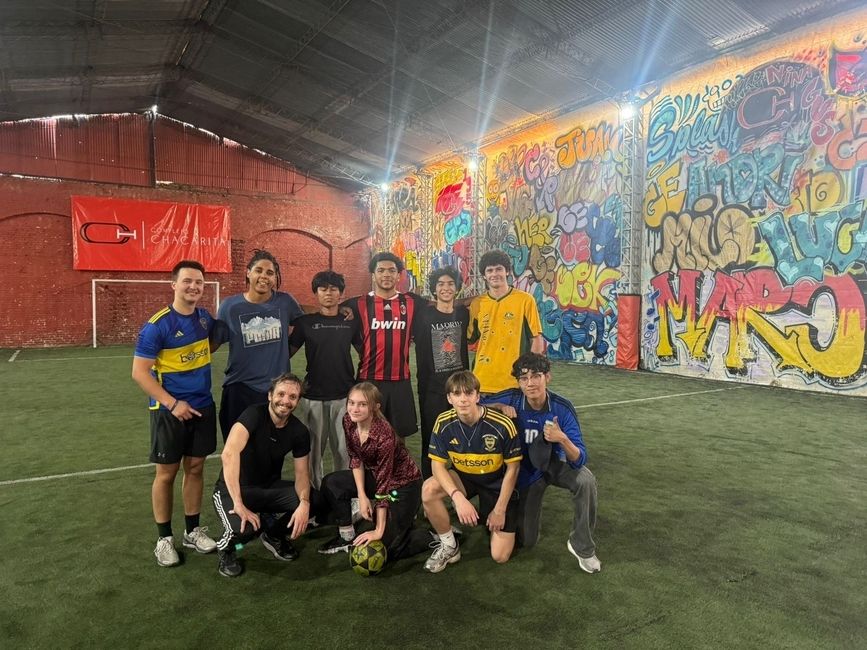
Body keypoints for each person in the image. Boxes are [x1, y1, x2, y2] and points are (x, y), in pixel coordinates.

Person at [131, 260, 219, 567]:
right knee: (166, 474)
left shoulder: (205, 319)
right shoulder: (157, 326)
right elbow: (140, 373)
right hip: (169, 410)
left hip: (203, 406)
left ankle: (192, 531)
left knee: (195, 468)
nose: (193, 287)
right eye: (187, 281)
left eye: (198, 282)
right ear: (174, 285)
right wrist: (172, 403)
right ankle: (164, 538)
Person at [483, 352, 601, 573]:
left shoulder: (562, 408)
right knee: (527, 541)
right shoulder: (512, 398)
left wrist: (562, 438)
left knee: (585, 481)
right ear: (518, 382)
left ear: (548, 377)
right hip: (525, 471)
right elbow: (476, 404)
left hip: (552, 464)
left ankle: (582, 546)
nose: (530, 383)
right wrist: (498, 408)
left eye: (536, 376)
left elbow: (580, 458)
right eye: (524, 378)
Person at [212, 373, 321, 577]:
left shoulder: (299, 431)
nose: (285, 401)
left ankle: (274, 534)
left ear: (298, 401)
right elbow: (229, 454)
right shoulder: (253, 415)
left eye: (292, 397)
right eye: (281, 394)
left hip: (268, 489)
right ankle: (227, 550)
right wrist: (238, 503)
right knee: (246, 531)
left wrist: (304, 503)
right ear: (270, 395)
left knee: (316, 500)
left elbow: (301, 474)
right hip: (234, 490)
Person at [318, 383, 431, 565]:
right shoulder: (348, 420)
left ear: (375, 407)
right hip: (375, 477)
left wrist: (378, 530)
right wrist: (362, 496)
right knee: (333, 482)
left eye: (362, 404)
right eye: (351, 402)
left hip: (403, 486)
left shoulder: (384, 435)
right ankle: (346, 536)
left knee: (387, 548)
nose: (355, 409)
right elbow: (355, 458)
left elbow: (383, 484)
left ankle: (431, 535)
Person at [421, 371, 522, 573]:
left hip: (496, 482)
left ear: (477, 396)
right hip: (465, 478)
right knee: (429, 489)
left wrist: (500, 510)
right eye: (457, 394)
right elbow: (437, 466)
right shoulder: (443, 422)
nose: (463, 399)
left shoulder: (502, 425)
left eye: (468, 393)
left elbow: (513, 468)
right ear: (450, 398)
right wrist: (457, 497)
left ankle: (495, 512)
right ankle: (449, 546)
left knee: (499, 556)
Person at [213, 249, 304, 440]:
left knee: (270, 451)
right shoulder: (229, 306)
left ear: (275, 278)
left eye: (270, 273)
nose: (264, 276)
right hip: (239, 389)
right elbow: (213, 343)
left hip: (276, 392)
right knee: (236, 450)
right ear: (248, 272)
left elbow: (304, 323)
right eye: (259, 270)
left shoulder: (285, 302)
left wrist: (336, 309)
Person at [342, 251, 428, 437]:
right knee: (366, 434)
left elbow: (441, 304)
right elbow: (334, 309)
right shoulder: (358, 303)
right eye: (381, 270)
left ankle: (398, 467)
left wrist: (472, 300)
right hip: (369, 379)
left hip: (400, 380)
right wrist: (343, 309)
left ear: (399, 275)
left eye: (391, 270)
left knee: (399, 436)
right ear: (373, 274)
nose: (386, 274)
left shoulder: (412, 302)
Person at [289, 270, 358, 488]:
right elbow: (284, 354)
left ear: (341, 294)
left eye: (333, 289)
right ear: (316, 293)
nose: (328, 293)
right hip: (313, 397)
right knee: (313, 453)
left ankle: (344, 498)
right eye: (323, 289)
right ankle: (315, 499)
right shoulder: (305, 323)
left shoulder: (351, 321)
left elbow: (366, 352)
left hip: (344, 396)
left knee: (344, 452)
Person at [413, 266, 469, 478]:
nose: (446, 288)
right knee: (431, 440)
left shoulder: (464, 313)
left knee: (463, 438)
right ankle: (429, 489)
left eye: (450, 284)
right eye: (440, 284)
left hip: (460, 389)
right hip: (432, 389)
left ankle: (461, 487)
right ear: (434, 289)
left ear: (457, 288)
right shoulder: (422, 315)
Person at [468, 249, 545, 394]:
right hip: (482, 381)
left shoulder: (525, 300)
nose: (494, 274)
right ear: (484, 276)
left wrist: (531, 374)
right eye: (489, 270)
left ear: (507, 271)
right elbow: (470, 338)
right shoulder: (477, 304)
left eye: (499, 269)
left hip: (514, 382)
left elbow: (536, 338)